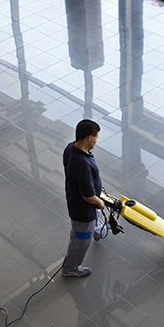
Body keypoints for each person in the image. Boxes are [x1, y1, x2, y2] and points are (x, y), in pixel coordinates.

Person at [62, 119, 105, 277]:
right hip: (83, 212)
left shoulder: (70, 148)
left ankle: (99, 231)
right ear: (89, 138)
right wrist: (99, 202)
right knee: (80, 240)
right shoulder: (83, 164)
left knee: (95, 218)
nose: (96, 141)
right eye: (96, 137)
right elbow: (87, 196)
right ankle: (70, 268)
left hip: (81, 204)